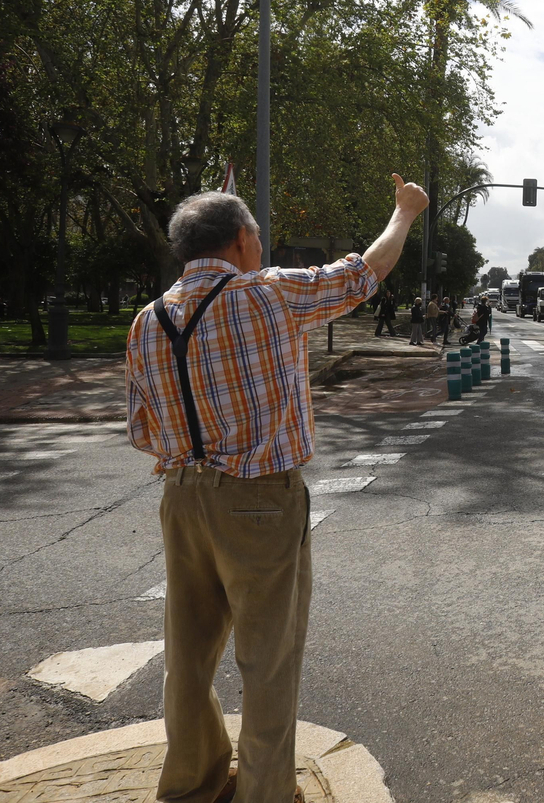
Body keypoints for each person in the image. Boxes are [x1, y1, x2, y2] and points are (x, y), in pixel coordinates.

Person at [126, 174, 428, 803]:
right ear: (240, 240)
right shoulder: (268, 295)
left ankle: (191, 783)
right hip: (259, 498)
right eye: (258, 237)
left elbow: (141, 430)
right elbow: (363, 274)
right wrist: (403, 213)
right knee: (268, 659)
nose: (261, 247)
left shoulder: (147, 321)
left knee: (187, 654)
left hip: (180, 495)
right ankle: (264, 793)